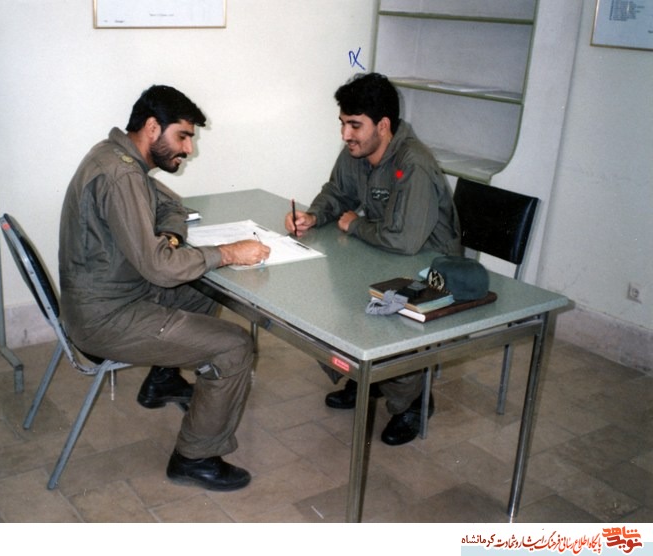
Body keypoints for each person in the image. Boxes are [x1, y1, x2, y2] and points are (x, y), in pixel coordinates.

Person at [58, 84, 270, 491]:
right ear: (153, 128)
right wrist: (228, 253)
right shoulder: (122, 174)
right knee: (235, 346)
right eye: (183, 136)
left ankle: (163, 380)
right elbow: (158, 268)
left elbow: (172, 207)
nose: (188, 149)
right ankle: (195, 458)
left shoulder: (115, 156)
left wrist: (171, 238)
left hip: (108, 297)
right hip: (105, 319)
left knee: (200, 289)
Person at [285, 72, 462, 446]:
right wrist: (314, 215)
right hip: (387, 257)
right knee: (323, 310)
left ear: (383, 126)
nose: (345, 135)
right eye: (342, 123)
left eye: (354, 125)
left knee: (382, 320)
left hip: (431, 271)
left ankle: (412, 401)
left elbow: (404, 240)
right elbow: (337, 192)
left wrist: (354, 226)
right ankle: (367, 378)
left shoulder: (413, 164)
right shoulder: (358, 151)